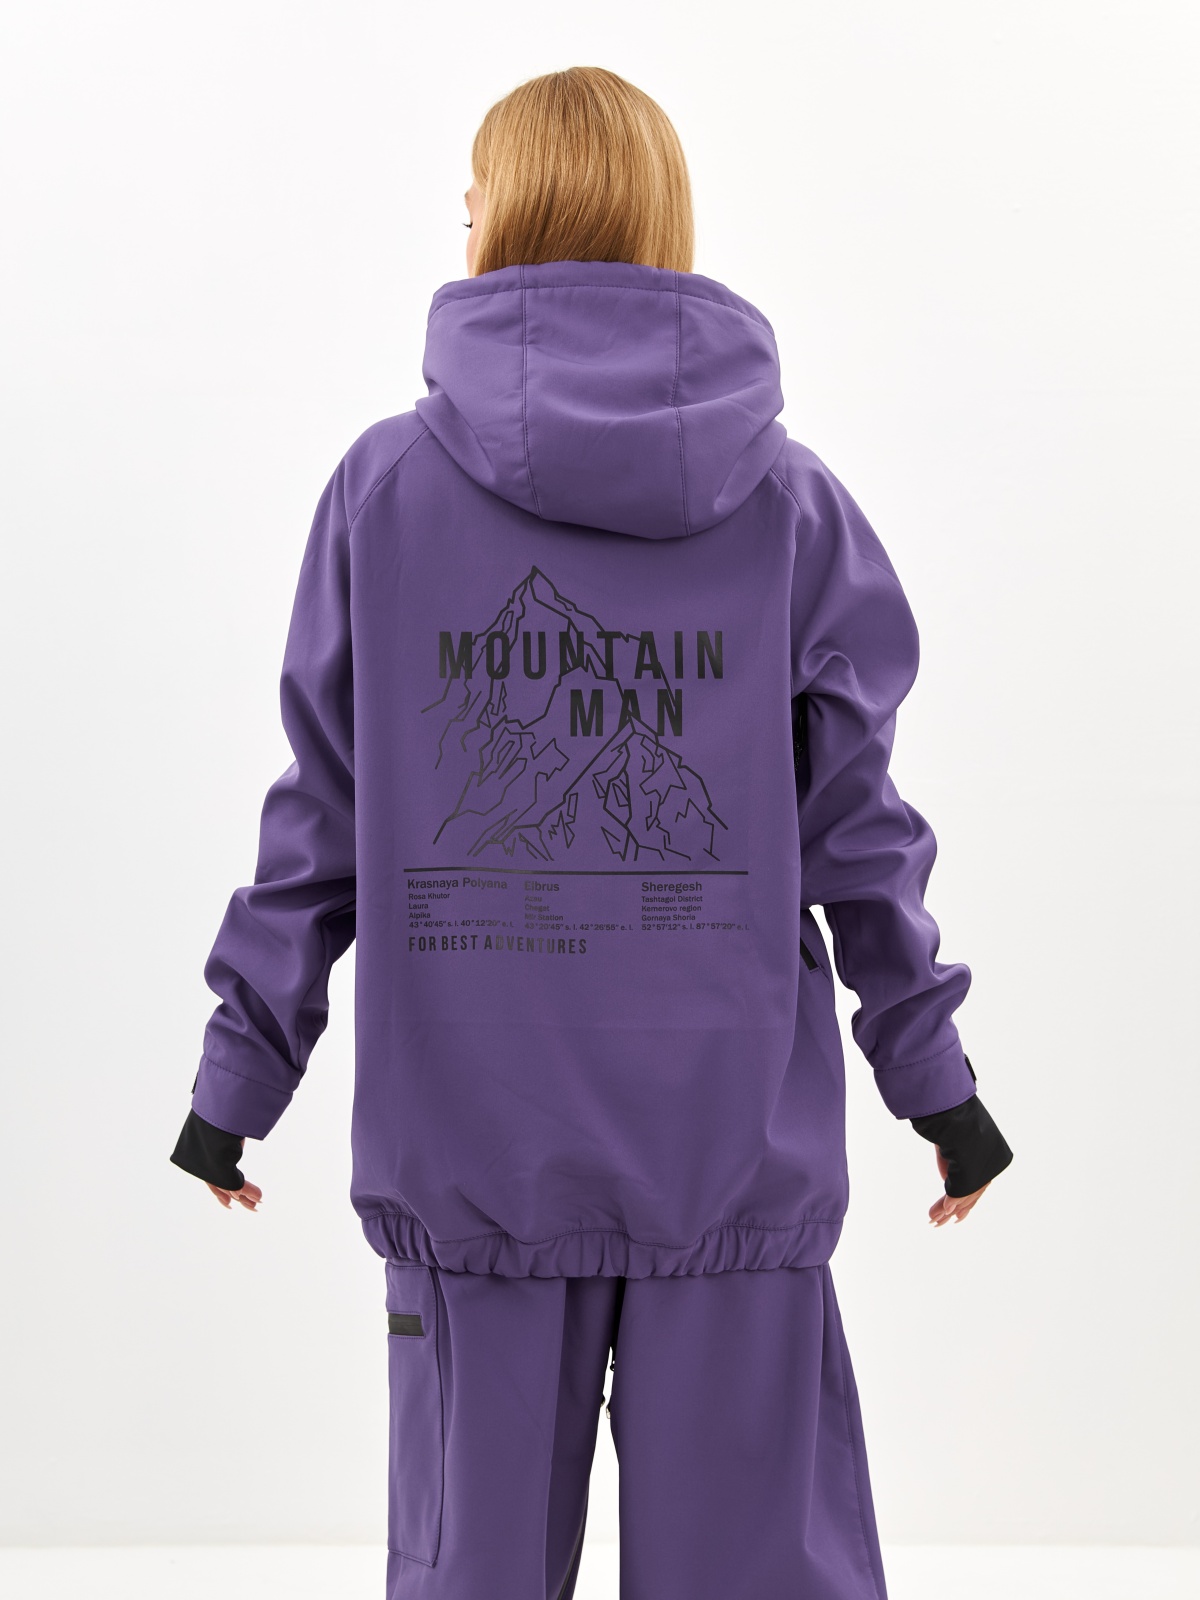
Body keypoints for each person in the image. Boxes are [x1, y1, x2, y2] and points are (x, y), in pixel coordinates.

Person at [171, 65, 1013, 1600]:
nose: (466, 226)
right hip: (731, 1160)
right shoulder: (792, 505)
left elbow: (322, 817)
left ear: (506, 219)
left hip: (471, 1160)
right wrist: (939, 1092)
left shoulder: (383, 493)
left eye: (472, 202)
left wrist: (238, 1084)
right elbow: (863, 838)